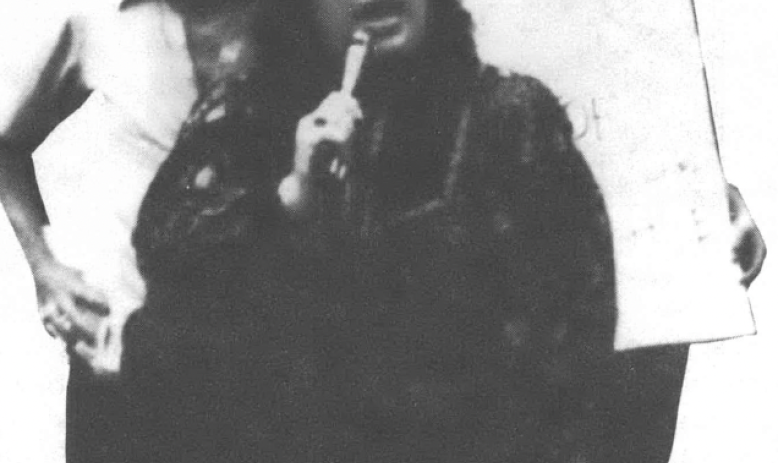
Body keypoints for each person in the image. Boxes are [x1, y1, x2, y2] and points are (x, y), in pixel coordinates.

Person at [25, 0, 765, 462]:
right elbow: (169, 363)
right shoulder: (245, 130)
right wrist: (295, 207)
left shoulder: (509, 121)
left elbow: (577, 372)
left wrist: (682, 216)